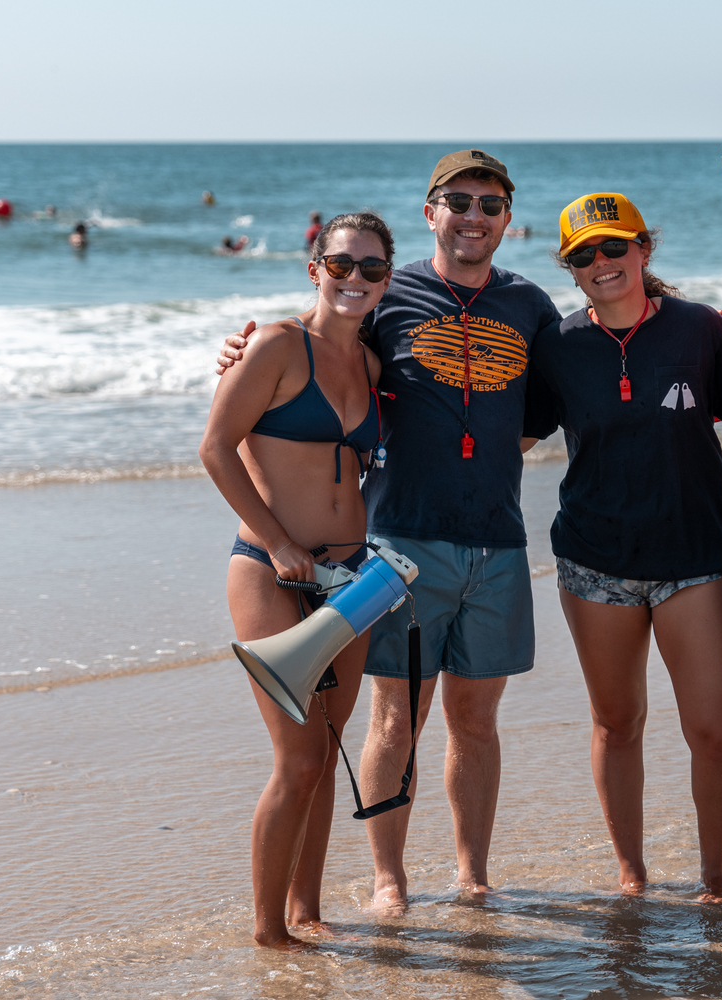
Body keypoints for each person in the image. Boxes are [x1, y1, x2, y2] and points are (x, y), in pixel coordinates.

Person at [216, 150, 561, 913]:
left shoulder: (530, 305)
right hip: (398, 545)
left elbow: (545, 408)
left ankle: (472, 877)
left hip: (498, 541)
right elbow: (316, 347)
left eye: (490, 205)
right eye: (457, 202)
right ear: (430, 211)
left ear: (507, 218)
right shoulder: (385, 293)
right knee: (396, 717)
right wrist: (241, 351)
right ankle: (388, 880)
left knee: (477, 722)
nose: (473, 217)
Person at [522, 193, 722, 900]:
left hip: (692, 559)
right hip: (594, 561)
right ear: (570, 269)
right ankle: (632, 874)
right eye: (583, 255)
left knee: (714, 732)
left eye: (613, 246)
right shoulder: (558, 347)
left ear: (643, 250)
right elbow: (509, 434)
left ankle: (714, 878)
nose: (601, 262)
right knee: (617, 723)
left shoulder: (700, 329)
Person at [199, 211, 392, 949]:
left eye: (372, 268)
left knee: (328, 752)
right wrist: (279, 542)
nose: (355, 278)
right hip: (269, 572)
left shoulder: (372, 366)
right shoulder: (276, 344)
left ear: (386, 280)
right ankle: (267, 932)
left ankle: (308, 913)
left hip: (352, 579)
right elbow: (216, 447)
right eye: (341, 264)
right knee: (299, 757)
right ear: (316, 270)